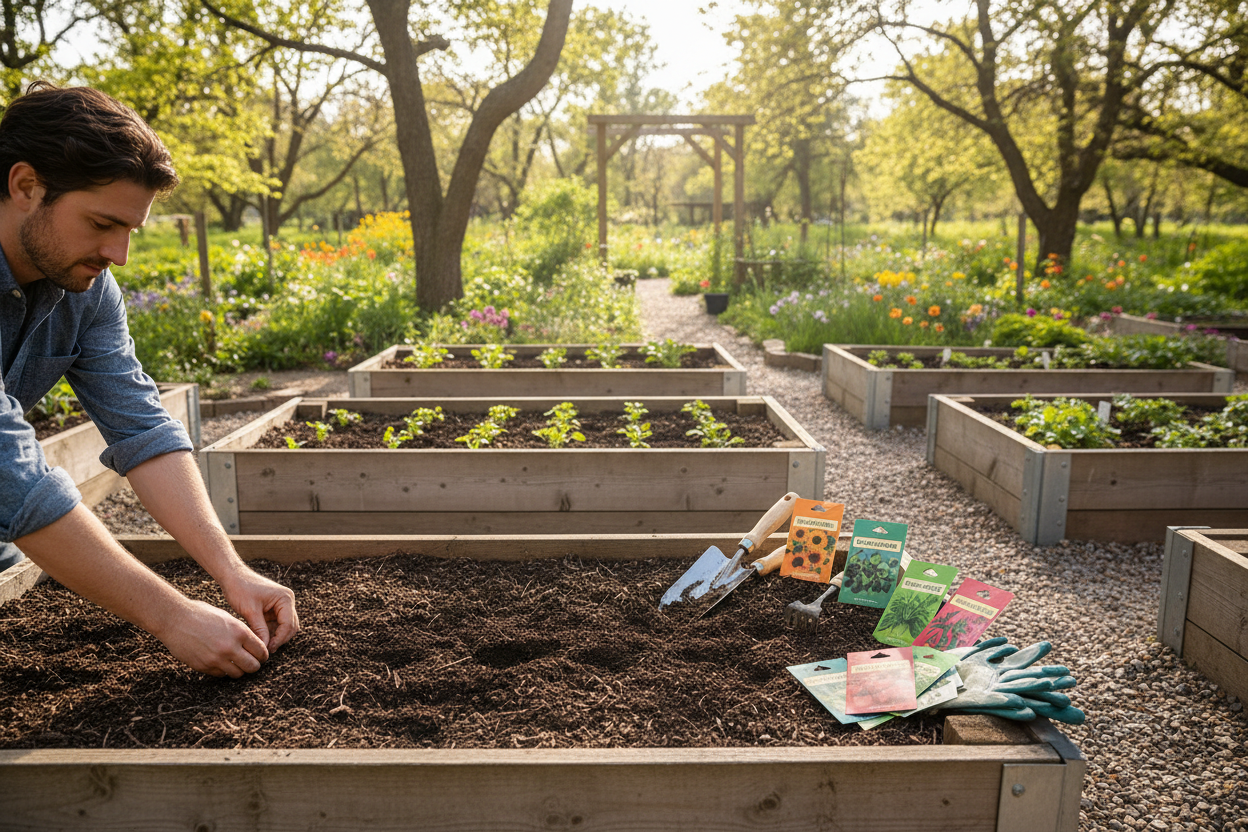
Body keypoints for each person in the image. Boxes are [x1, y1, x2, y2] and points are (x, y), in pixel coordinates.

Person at [0, 82, 299, 678]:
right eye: (102, 223)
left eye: (131, 229)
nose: (120, 253)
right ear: (26, 186)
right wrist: (172, 616)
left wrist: (230, 571)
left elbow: (140, 424)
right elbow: (13, 478)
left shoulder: (84, 288)